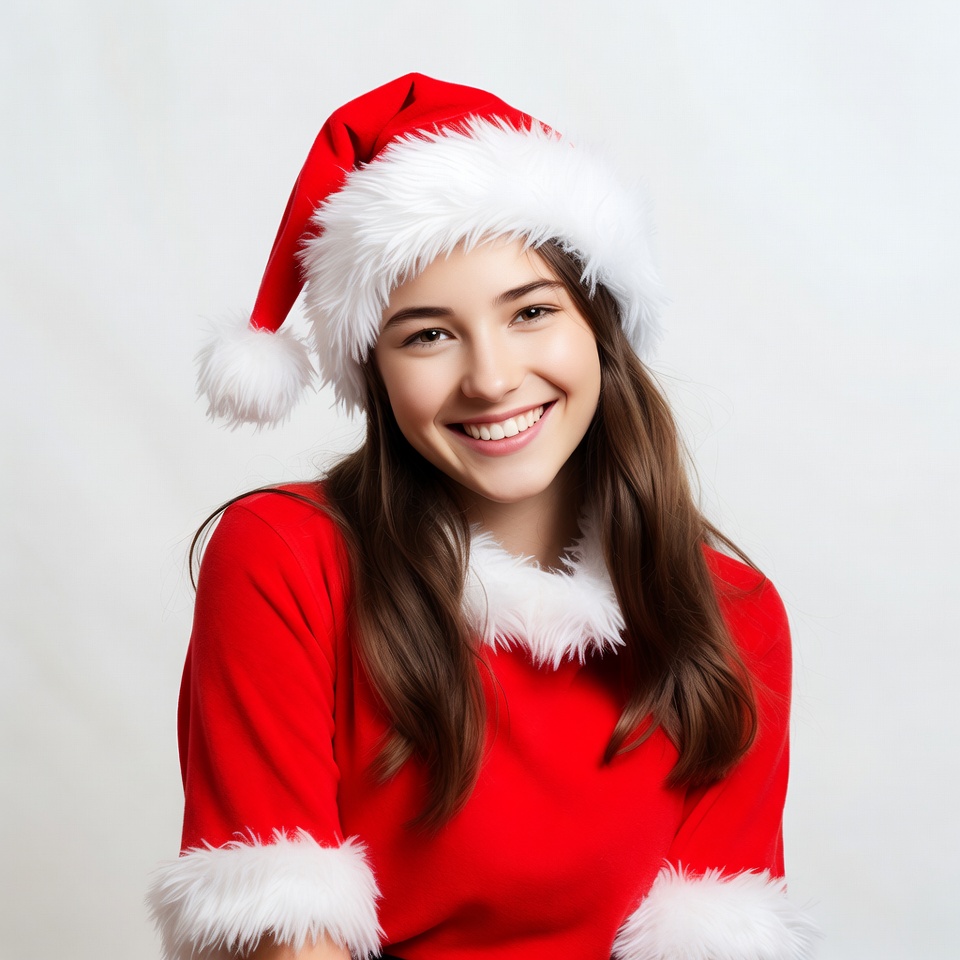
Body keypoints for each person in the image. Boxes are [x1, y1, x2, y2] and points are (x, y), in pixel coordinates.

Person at [147, 74, 817, 960]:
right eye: (428, 334)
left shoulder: (733, 617)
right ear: (376, 373)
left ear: (599, 328)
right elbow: (284, 940)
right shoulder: (285, 558)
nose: (492, 379)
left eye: (532, 312)